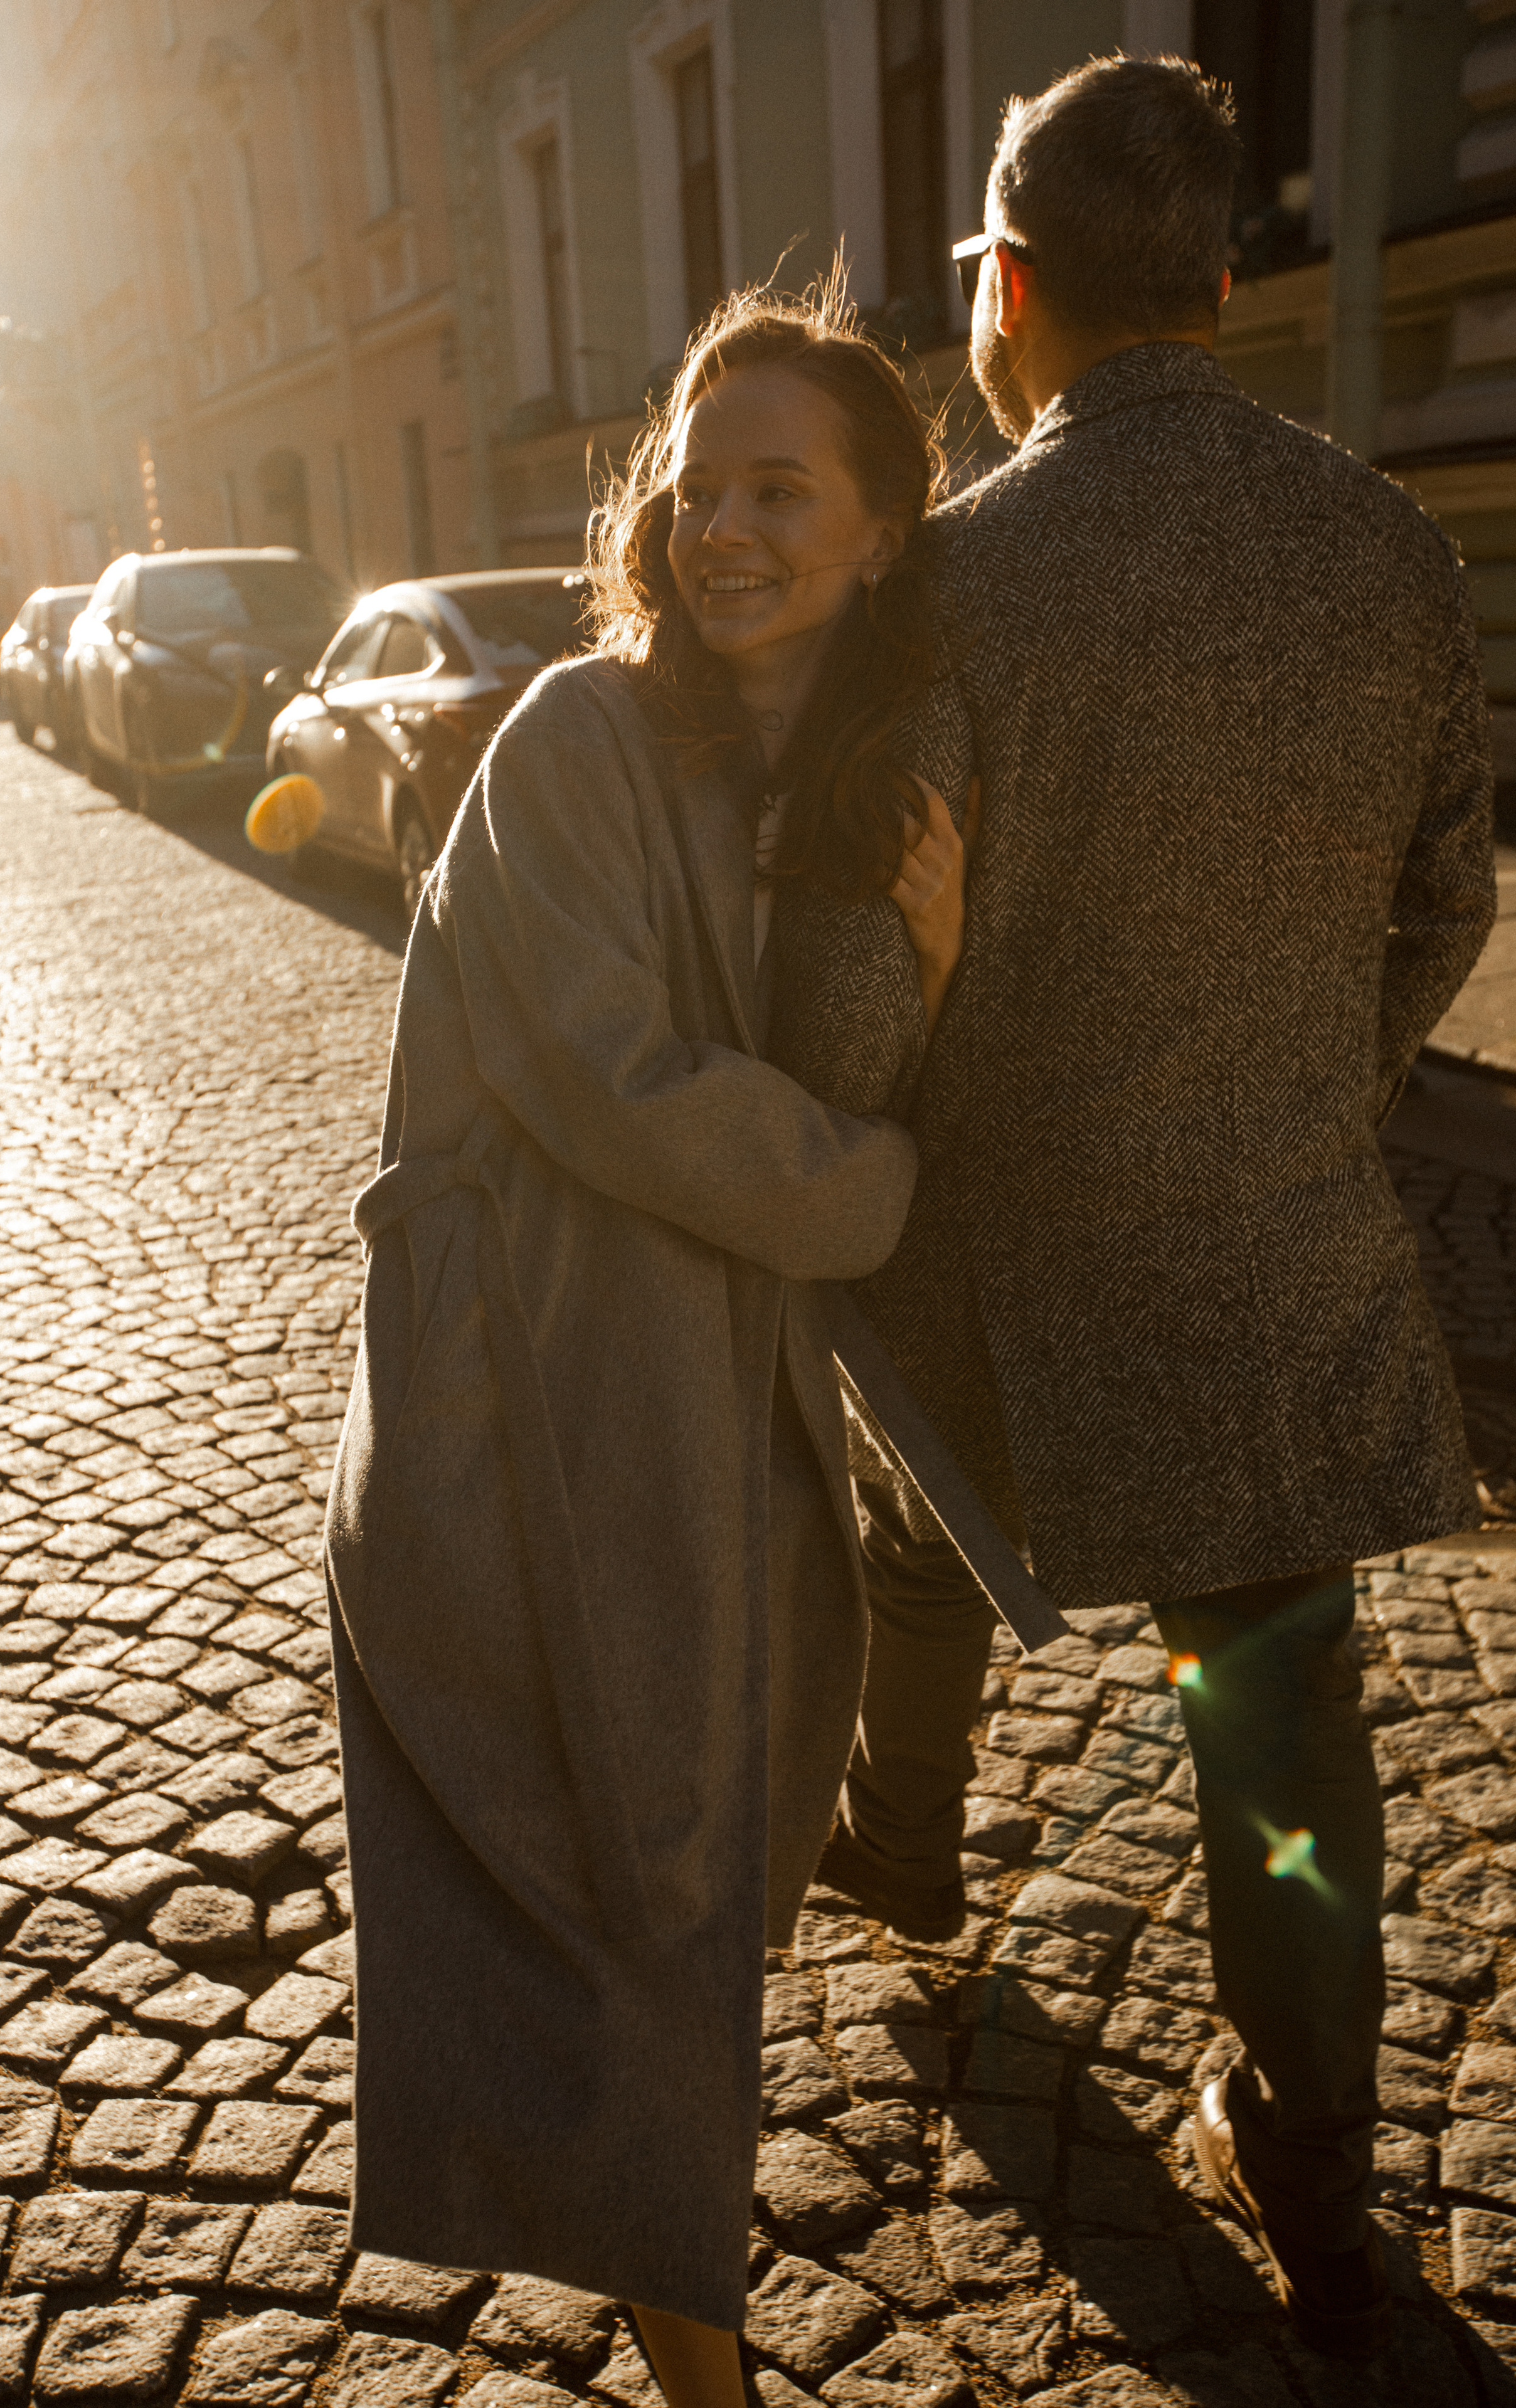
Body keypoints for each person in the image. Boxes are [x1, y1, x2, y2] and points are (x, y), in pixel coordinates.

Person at [773, 55, 1497, 2363]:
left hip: (1006, 1275)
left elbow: (864, 999)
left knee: (903, 1443)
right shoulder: (1392, 550)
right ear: (1215, 277)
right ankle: (1310, 2175)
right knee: (1283, 1741)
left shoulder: (956, 590)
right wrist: (1320, 1083)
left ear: (1003, 289)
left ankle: (898, 1839)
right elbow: (1446, 894)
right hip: (1277, 1257)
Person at [323, 280, 968, 2408]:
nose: (724, 528)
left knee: (685, 1890)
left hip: (704, 1422)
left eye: (783, 488)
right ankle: (709, 2380)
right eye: (700, 487)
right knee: (623, 1907)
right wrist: (869, 1175)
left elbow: (835, 1065)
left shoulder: (855, 765)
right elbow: (618, 1075)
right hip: (528, 1419)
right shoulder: (575, 739)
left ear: (887, 524)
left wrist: (933, 971)